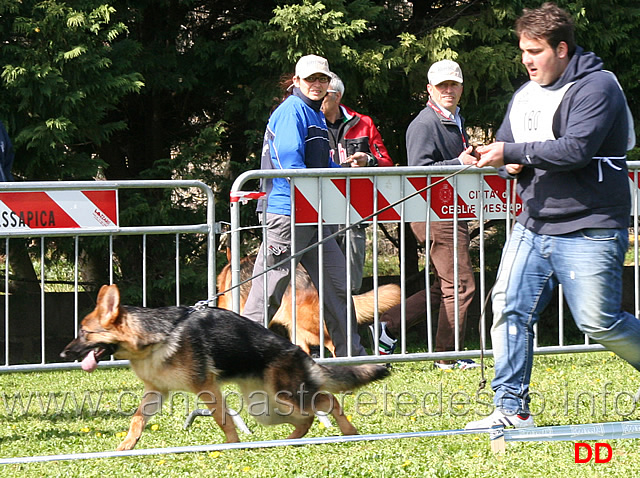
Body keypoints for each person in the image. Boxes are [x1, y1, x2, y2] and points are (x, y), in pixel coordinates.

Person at [465, 3, 638, 429]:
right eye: (523, 50)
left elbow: (576, 149)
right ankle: (511, 410)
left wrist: (512, 153)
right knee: (509, 308)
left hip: (590, 225)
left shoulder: (598, 87)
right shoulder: (526, 93)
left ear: (561, 48)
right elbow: (509, 144)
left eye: (535, 51)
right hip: (533, 223)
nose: (526, 60)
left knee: (598, 323)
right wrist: (498, 159)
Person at [242, 54, 369, 357]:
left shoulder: (314, 113)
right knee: (269, 290)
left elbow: (319, 163)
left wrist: (346, 173)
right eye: (310, 79)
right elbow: (290, 164)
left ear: (328, 84)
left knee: (337, 286)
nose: (317, 84)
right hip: (288, 214)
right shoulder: (291, 112)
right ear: (296, 81)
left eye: (322, 79)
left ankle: (352, 356)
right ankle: (240, 352)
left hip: (313, 214)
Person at [371, 59, 478, 370]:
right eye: (442, 85)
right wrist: (459, 162)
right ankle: (447, 357)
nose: (448, 90)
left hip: (448, 211)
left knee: (442, 287)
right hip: (434, 214)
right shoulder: (423, 124)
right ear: (429, 89)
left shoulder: (454, 119)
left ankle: (387, 325)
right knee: (460, 285)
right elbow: (420, 172)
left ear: (461, 88)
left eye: (453, 84)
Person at [321, 72, 394, 294]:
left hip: (353, 214)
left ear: (338, 96)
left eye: (325, 94)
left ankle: (351, 327)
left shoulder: (363, 123)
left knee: (351, 284)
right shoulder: (309, 122)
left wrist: (368, 160)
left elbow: (386, 162)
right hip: (319, 212)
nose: (319, 98)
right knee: (318, 284)